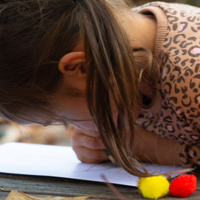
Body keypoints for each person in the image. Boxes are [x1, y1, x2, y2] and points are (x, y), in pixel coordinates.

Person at [0, 0, 200, 177]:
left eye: (62, 120)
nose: (76, 128)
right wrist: (99, 147)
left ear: (82, 68)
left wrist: (141, 147)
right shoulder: (118, 41)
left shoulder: (191, 75)